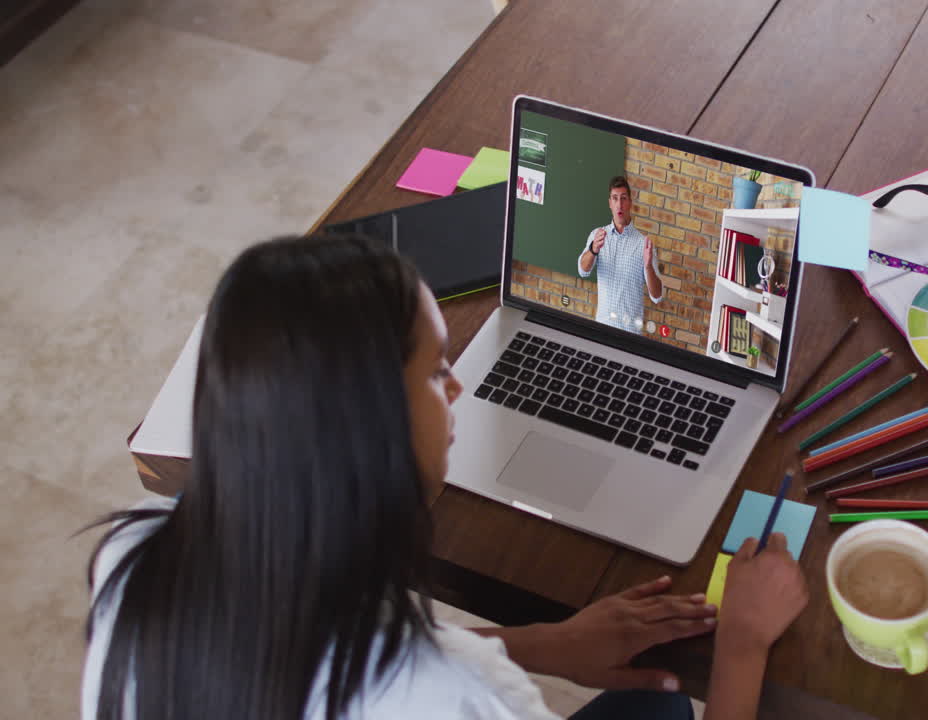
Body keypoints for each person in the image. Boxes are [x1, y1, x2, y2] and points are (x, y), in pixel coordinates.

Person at [82, 234, 808, 720]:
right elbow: (424, 680)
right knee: (669, 701)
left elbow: (329, 655)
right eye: (435, 370)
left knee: (650, 703)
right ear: (371, 431)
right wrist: (742, 644)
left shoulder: (135, 558)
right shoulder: (453, 699)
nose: (458, 386)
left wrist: (545, 645)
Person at [577, 176, 664, 333]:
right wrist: (593, 250)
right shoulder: (597, 235)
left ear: (630, 202)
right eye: (615, 198)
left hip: (630, 333)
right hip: (602, 328)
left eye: (624, 198)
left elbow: (657, 296)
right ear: (610, 203)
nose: (619, 204)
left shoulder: (644, 244)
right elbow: (582, 270)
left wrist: (648, 266)